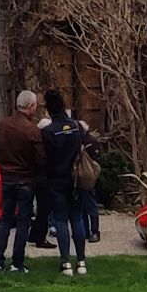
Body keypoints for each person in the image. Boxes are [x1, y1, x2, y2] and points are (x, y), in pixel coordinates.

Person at [0, 90, 44, 273]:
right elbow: (41, 159)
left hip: (6, 178)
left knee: (5, 220)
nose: (36, 108)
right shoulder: (32, 130)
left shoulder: (2, 126)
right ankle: (17, 263)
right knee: (23, 222)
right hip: (25, 180)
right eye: (35, 105)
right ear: (30, 107)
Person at [41, 89, 92, 276]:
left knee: (61, 220)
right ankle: (81, 261)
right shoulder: (76, 127)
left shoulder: (48, 132)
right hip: (76, 178)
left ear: (49, 109)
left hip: (56, 180)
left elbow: (44, 158)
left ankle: (65, 262)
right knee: (77, 218)